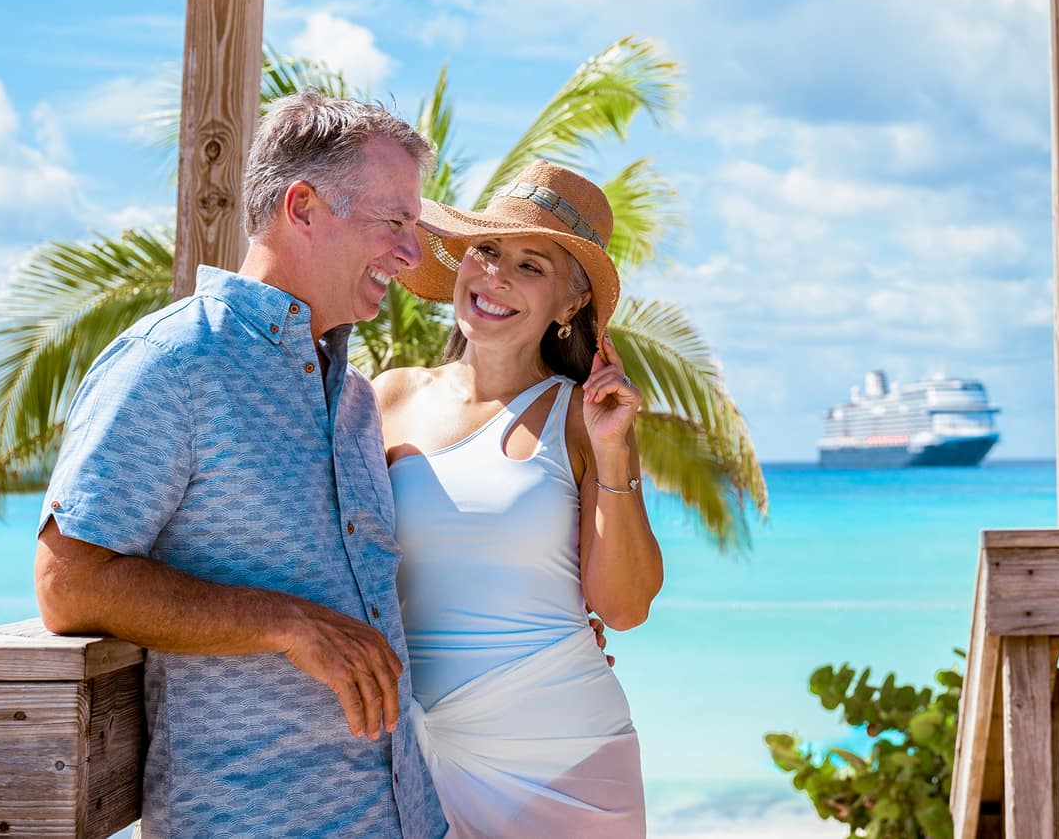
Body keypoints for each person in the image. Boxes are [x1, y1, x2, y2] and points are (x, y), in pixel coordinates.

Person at [33, 92, 447, 838]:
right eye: (395, 222)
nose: (412, 254)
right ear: (303, 206)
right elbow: (69, 581)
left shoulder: (353, 398)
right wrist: (287, 623)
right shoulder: (171, 362)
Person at [376, 159, 664, 838]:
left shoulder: (582, 421)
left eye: (530, 265)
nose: (496, 275)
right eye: (487, 250)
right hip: (418, 760)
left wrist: (615, 448)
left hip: (567, 762)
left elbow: (622, 607)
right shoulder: (385, 399)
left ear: (570, 305)